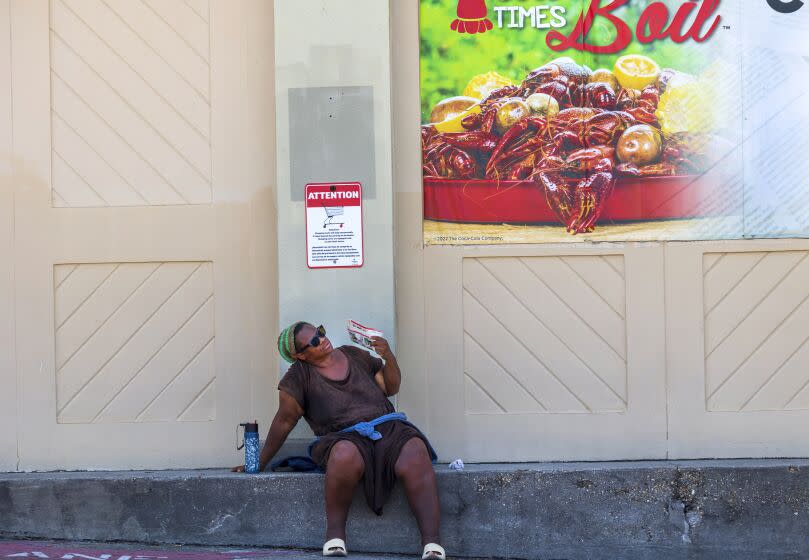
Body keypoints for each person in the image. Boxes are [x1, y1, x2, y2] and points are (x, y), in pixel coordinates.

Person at [232, 322, 445, 560]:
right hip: (341, 437)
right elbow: (283, 422)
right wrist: (260, 462)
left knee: (415, 449)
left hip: (388, 428)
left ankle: (432, 544)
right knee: (344, 454)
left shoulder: (353, 354)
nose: (322, 339)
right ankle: (335, 537)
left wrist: (389, 357)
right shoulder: (298, 378)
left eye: (320, 332)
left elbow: (391, 387)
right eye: (313, 341)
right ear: (300, 355)